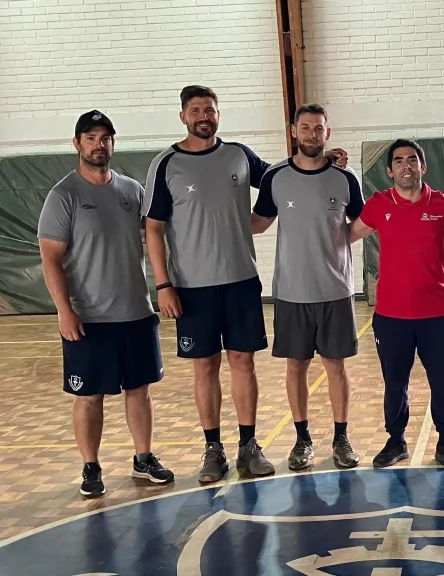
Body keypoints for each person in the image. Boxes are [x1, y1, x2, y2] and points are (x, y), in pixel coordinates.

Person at [37, 111, 174, 497]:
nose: (100, 144)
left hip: (135, 312)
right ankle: (91, 466)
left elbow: (156, 236)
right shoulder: (64, 195)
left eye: (106, 137)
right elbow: (50, 258)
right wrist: (65, 310)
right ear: (77, 143)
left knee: (139, 390)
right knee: (89, 395)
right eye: (91, 137)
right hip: (88, 318)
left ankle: (143, 458)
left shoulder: (132, 191)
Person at [142, 85, 275, 482]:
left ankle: (249, 446)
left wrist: (326, 160)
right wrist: (163, 285)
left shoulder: (239, 155)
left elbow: (285, 180)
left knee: (243, 362)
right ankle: (212, 449)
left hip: (241, 281)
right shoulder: (166, 164)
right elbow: (153, 228)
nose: (204, 115)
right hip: (191, 288)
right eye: (196, 109)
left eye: (210, 109)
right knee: (205, 366)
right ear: (183, 116)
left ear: (219, 114)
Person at [348, 139, 444, 469]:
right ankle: (395, 441)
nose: (407, 166)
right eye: (400, 161)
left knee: (442, 382)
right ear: (390, 170)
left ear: (423, 166)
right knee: (395, 382)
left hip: (436, 312)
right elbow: (344, 235)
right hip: (391, 315)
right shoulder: (377, 205)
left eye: (413, 160)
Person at [251, 104, 362, 471]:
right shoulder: (275, 177)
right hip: (291, 292)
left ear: (327, 133)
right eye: (306, 128)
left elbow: (361, 224)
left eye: (319, 128)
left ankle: (341, 438)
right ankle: (302, 440)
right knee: (295, 368)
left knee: (336, 367)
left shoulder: (345, 179)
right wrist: (212, 214)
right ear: (293, 132)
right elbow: (259, 223)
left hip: (335, 290)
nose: (312, 134)